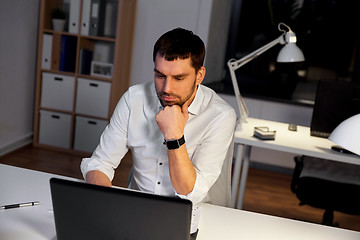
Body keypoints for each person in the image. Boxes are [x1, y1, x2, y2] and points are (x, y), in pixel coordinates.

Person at [80, 27, 236, 238]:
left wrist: (174, 136)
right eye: (160, 75)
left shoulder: (221, 115)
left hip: (196, 218)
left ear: (199, 75)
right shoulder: (134, 99)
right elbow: (101, 163)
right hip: (138, 211)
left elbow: (191, 191)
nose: (166, 88)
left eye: (179, 78)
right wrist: (106, 208)